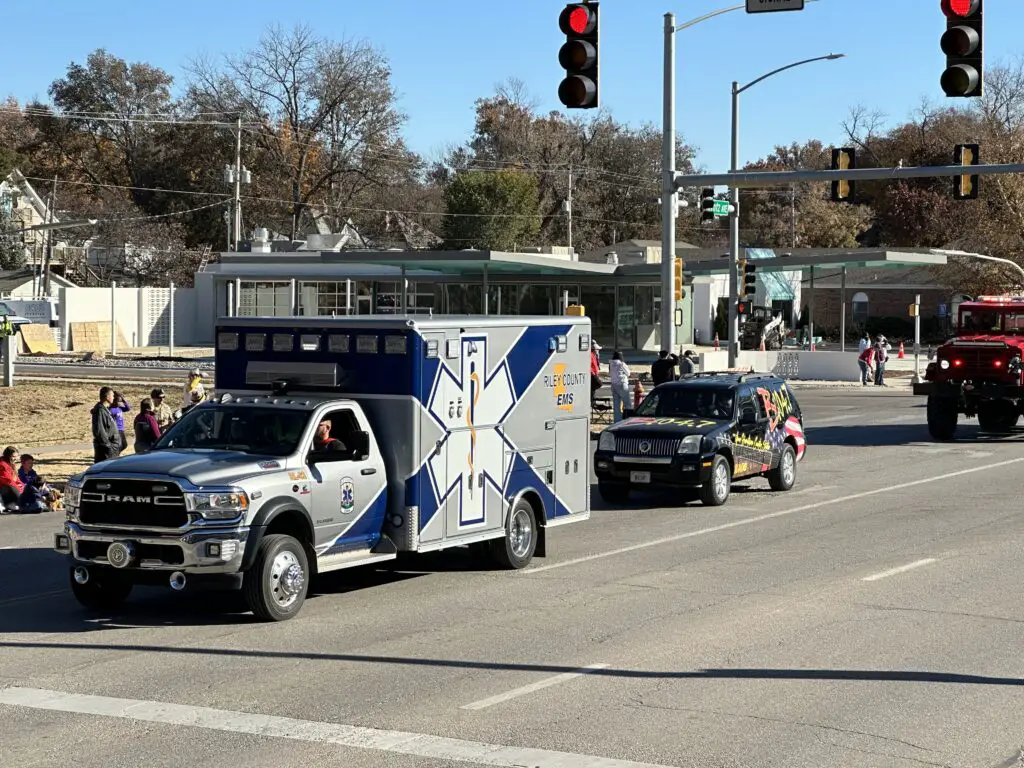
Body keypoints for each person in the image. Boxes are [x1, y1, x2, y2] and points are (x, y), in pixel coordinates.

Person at [91, 386, 121, 464]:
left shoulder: (105, 409)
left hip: (111, 448)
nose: (114, 398)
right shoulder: (100, 411)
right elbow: (100, 430)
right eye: (112, 395)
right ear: (107, 397)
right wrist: (108, 446)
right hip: (106, 450)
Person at [609, 350, 631, 422]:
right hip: (622, 384)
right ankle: (627, 419)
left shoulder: (611, 364)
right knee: (627, 404)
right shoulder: (621, 364)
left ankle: (617, 420)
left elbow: (610, 373)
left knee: (616, 404)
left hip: (614, 384)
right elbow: (628, 373)